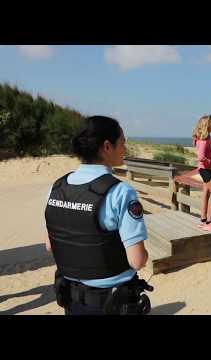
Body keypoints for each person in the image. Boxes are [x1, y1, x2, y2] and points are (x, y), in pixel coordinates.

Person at [44, 115, 153, 315]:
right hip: (111, 302)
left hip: (72, 300)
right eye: (122, 143)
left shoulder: (57, 187)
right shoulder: (121, 192)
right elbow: (137, 261)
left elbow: (51, 244)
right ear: (106, 147)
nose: (125, 149)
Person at [192, 115, 211, 232]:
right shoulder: (204, 139)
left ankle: (203, 220)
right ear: (208, 125)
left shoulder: (206, 137)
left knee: (206, 192)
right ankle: (209, 222)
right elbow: (201, 157)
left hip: (205, 169)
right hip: (206, 169)